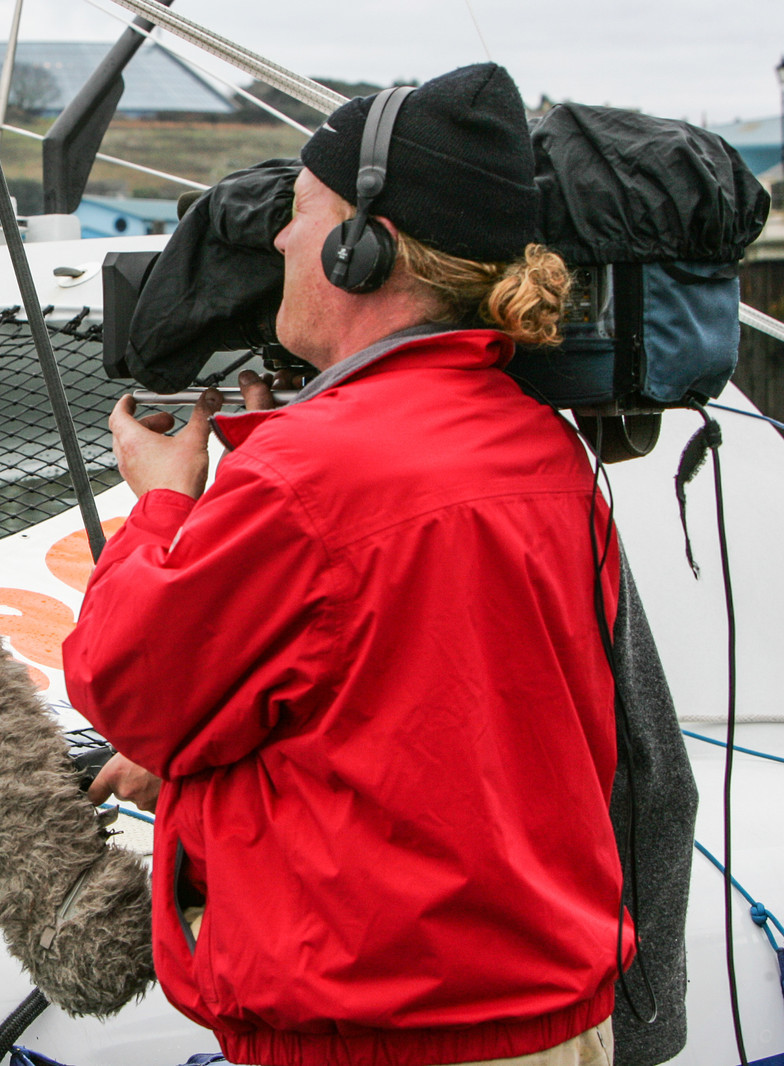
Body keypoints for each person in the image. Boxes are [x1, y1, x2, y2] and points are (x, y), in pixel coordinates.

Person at [64, 64, 694, 1065]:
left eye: (303, 213)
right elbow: (418, 715)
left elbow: (131, 689)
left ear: (364, 251)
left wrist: (166, 501)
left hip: (384, 1032)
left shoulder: (307, 475)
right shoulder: (541, 449)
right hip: (555, 1016)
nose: (277, 240)